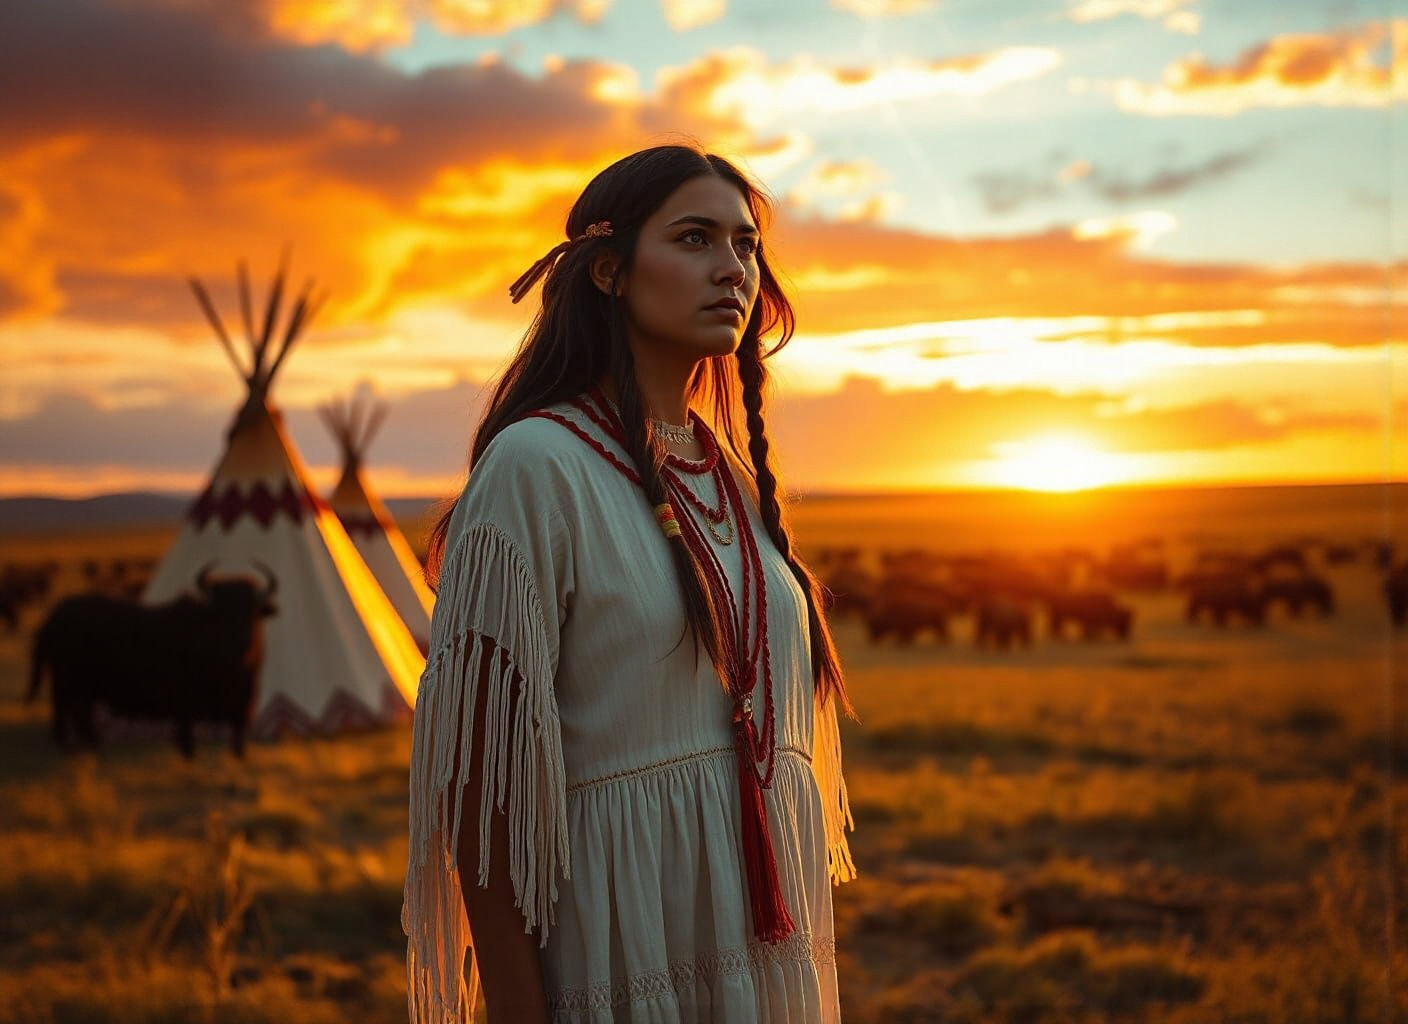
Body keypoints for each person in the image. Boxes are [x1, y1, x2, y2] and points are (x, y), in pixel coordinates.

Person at [401, 142, 859, 1024]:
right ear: (608, 270)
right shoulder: (536, 468)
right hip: (624, 951)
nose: (733, 269)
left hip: (761, 957)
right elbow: (484, 802)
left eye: (746, 245)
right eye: (695, 239)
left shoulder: (726, 473)